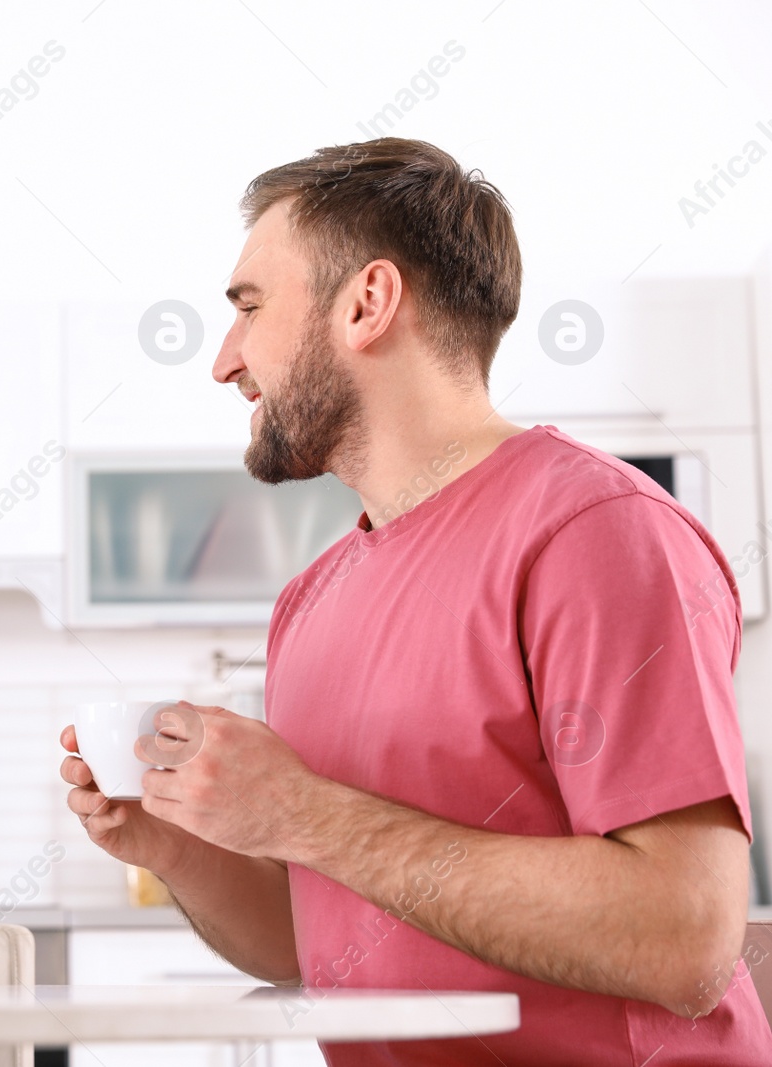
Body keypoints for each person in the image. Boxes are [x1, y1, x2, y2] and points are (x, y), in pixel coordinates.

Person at [60, 138, 772, 1064]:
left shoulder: (597, 532)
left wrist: (304, 812)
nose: (225, 361)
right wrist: (185, 842)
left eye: (248, 307)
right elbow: (316, 939)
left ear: (367, 303)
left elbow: (685, 937)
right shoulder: (311, 601)